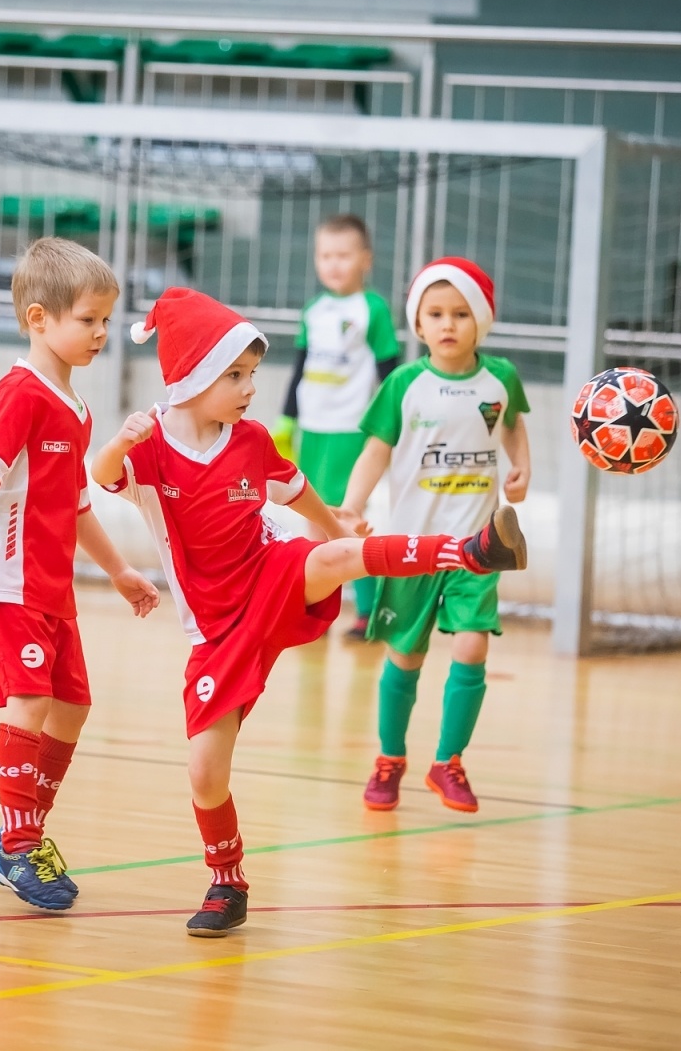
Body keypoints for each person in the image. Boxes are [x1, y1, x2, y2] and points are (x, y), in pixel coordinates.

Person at [93, 286, 527, 937]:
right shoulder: (152, 449)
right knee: (205, 774)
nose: (248, 389)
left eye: (251, 376)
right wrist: (119, 445)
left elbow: (298, 497)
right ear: (192, 377)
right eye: (234, 376)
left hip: (271, 572)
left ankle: (472, 550)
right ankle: (227, 880)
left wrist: (338, 532)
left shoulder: (252, 440)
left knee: (330, 559)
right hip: (216, 628)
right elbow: (100, 478)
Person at [0, 237, 160, 912]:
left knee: (73, 707)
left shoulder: (75, 408)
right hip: (7, 586)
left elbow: (73, 506)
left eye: (105, 320)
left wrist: (121, 570)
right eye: (87, 320)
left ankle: (25, 834)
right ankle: (16, 846)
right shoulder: (21, 394)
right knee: (31, 704)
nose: (101, 333)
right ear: (40, 319)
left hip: (51, 588)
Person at [337, 257, 531, 814]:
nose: (448, 324)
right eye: (436, 314)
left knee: (471, 647)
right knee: (406, 657)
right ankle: (390, 759)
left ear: (482, 321)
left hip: (480, 548)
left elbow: (514, 426)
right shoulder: (404, 383)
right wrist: (352, 506)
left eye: (461, 313)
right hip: (413, 548)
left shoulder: (501, 380)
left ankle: (449, 762)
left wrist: (521, 468)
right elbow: (375, 451)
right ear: (418, 324)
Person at [272, 214, 402, 639]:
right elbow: (300, 369)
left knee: (348, 516)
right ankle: (316, 607)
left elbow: (390, 373)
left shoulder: (374, 309)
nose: (333, 264)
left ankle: (369, 613)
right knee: (312, 519)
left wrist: (396, 425)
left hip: (352, 430)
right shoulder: (314, 310)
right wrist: (286, 421)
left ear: (365, 259)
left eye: (343, 255)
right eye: (325, 255)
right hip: (313, 429)